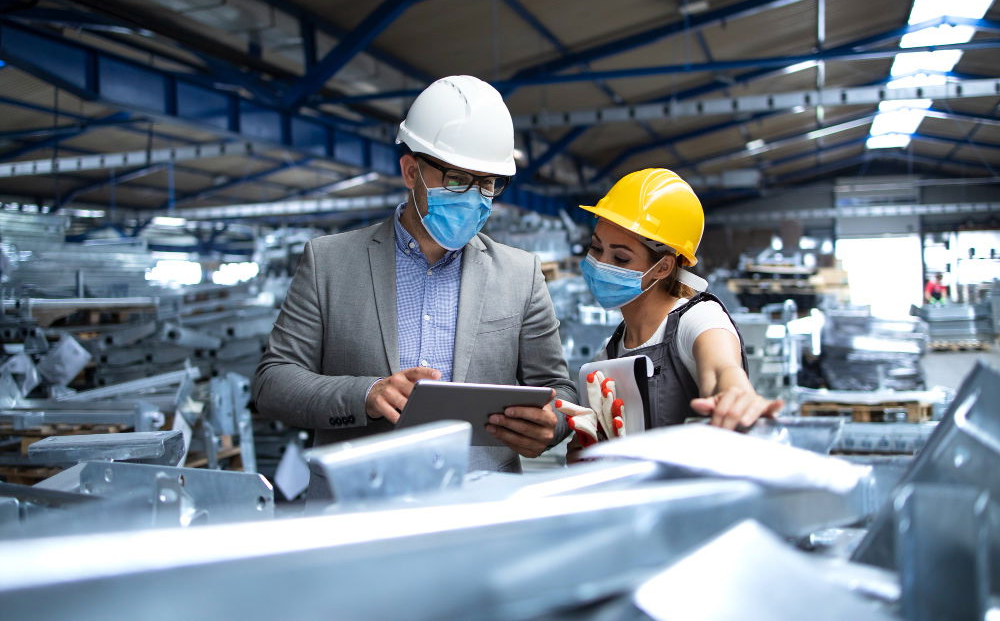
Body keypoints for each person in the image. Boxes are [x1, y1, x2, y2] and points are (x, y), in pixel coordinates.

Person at [254, 75, 573, 476]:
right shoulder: (329, 262)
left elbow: (559, 391)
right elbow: (273, 383)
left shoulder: (519, 274)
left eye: (488, 184)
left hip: (482, 505)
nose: (475, 198)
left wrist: (552, 426)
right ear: (411, 171)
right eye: (458, 181)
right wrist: (367, 394)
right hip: (359, 503)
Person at [558, 168, 783, 458]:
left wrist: (736, 394)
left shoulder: (699, 320)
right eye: (596, 248)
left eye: (621, 258)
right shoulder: (609, 353)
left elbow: (721, 369)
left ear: (663, 267)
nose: (600, 264)